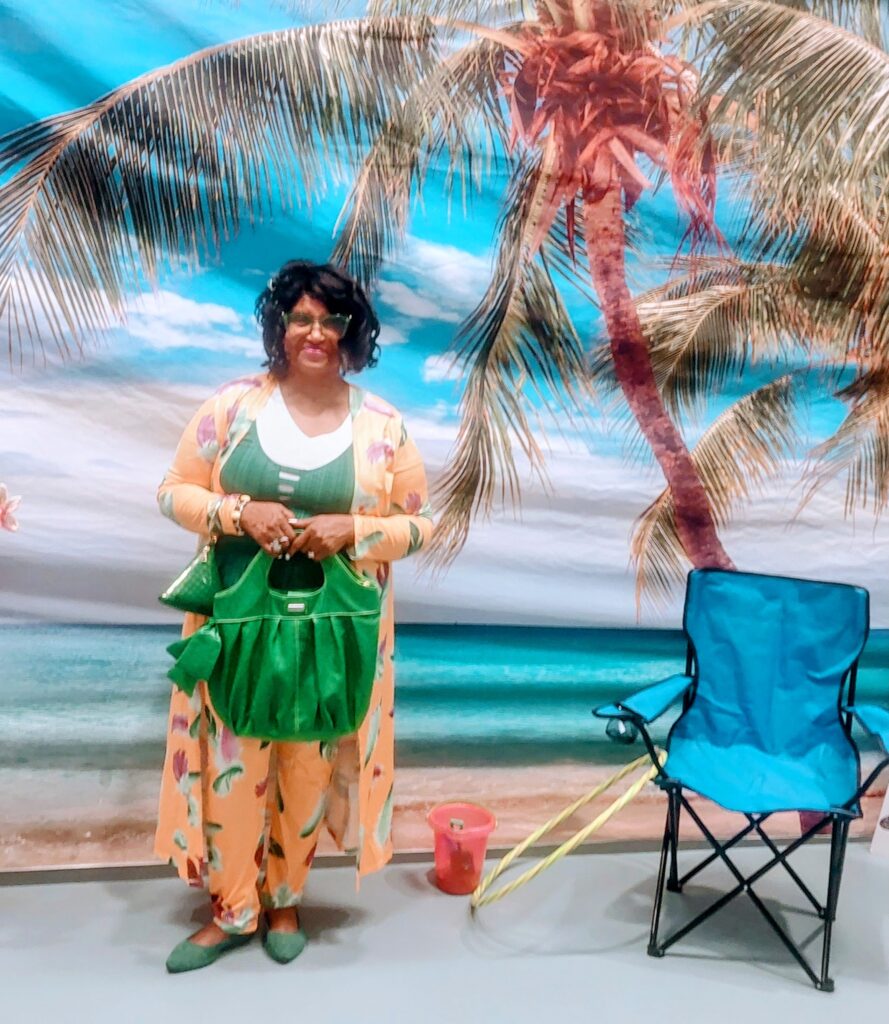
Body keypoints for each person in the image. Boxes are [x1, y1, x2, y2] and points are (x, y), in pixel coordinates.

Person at [154, 260, 434, 972]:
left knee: (306, 769)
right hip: (234, 626)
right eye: (300, 318)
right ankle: (233, 909)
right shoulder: (231, 408)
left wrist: (354, 530)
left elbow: (419, 525)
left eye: (330, 319)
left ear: (352, 331)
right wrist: (235, 511)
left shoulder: (383, 427)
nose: (315, 332)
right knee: (231, 766)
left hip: (331, 634)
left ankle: (284, 901)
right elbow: (173, 491)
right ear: (279, 325)